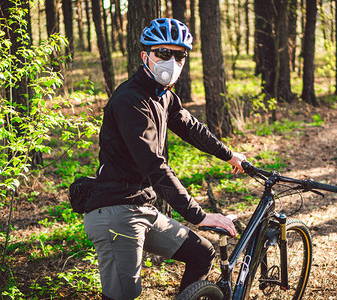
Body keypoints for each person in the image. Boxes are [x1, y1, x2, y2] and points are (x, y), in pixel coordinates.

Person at [83, 18, 246, 300]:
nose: (172, 61)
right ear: (146, 56)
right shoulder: (130, 99)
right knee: (123, 295)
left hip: (141, 207)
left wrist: (230, 155)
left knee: (201, 253)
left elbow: (192, 128)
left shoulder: (163, 96)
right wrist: (200, 216)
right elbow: (154, 165)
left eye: (180, 55)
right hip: (115, 212)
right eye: (164, 53)